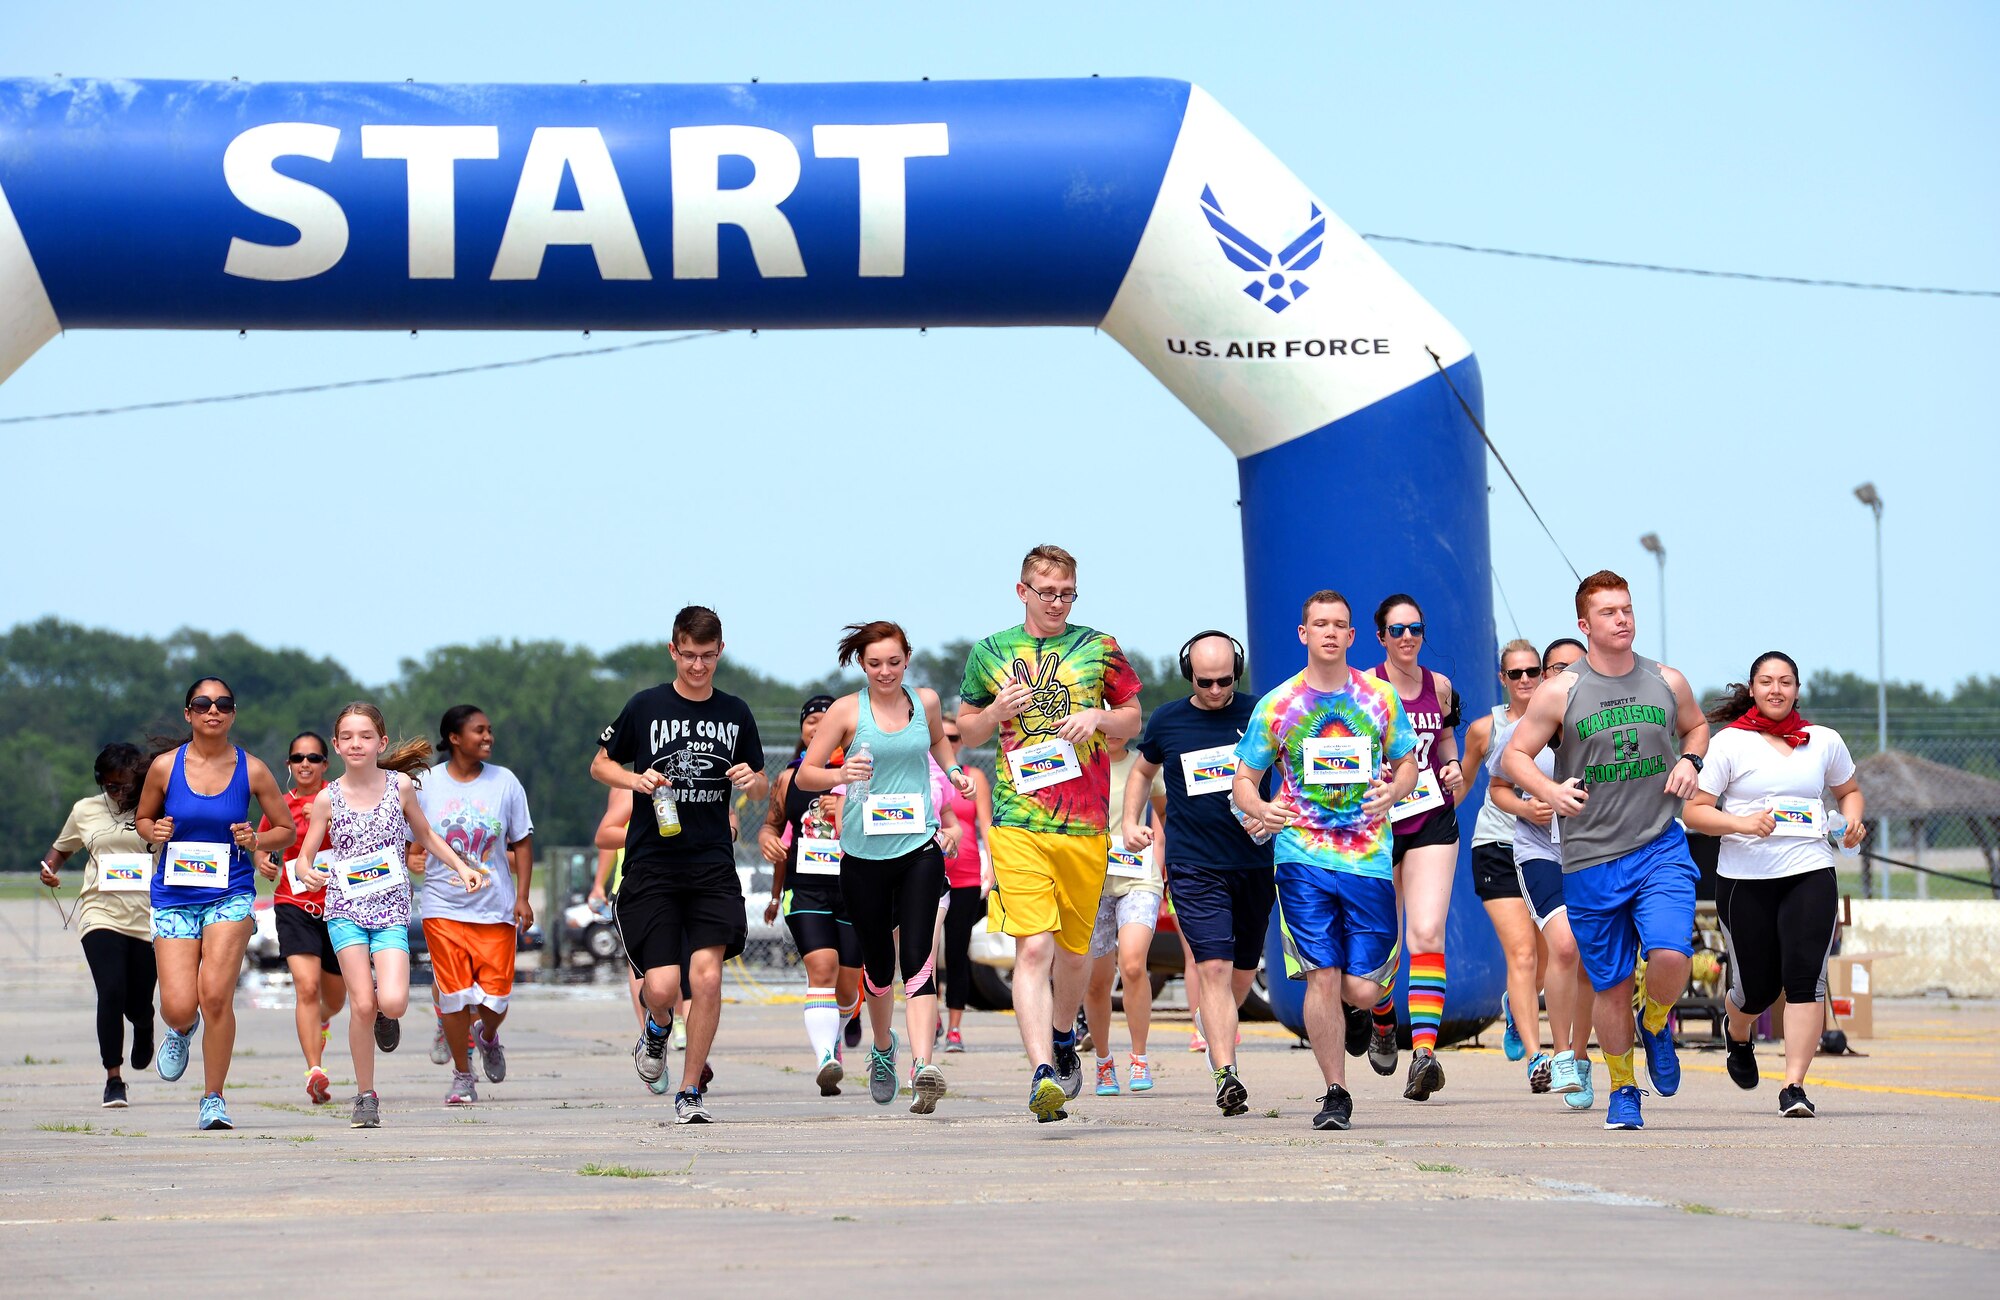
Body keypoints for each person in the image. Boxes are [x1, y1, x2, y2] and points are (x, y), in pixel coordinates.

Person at [1502, 571, 1709, 1132]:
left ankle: (1659, 1018)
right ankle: (1623, 1090)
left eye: (1628, 609)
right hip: (1591, 858)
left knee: (1671, 956)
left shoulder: (1667, 680)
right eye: (1609, 612)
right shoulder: (1560, 690)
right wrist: (1548, 791)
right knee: (1611, 985)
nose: (1622, 620)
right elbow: (1514, 757)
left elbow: (1696, 729)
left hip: (1659, 844)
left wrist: (1690, 761)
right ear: (1584, 624)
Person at [958, 545, 1144, 1123]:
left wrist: (1100, 718)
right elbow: (964, 730)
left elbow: (1135, 717)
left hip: (1085, 824)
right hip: (1019, 820)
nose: (1059, 603)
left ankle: (1063, 1035)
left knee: (1074, 954)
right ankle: (1041, 1071)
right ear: (1023, 592)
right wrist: (994, 715)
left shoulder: (1097, 647)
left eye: (1067, 593)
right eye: (1048, 592)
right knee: (1032, 948)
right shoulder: (990, 652)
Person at [1232, 592, 1418, 1131]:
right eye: (1320, 624)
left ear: (1353, 636)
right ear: (1303, 633)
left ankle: (1365, 1013)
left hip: (1368, 858)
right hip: (1301, 856)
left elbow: (1406, 762)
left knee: (1362, 986)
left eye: (1340, 624)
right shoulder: (1279, 703)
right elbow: (1244, 779)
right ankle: (1335, 1093)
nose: (1330, 633)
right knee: (1322, 974)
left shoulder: (1379, 697)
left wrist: (1395, 792)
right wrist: (1262, 807)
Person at [591, 605, 767, 1125]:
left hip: (711, 864)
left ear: (721, 652)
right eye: (688, 656)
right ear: (673, 650)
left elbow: (759, 780)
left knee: (708, 978)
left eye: (707, 657)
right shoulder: (645, 706)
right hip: (653, 866)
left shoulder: (736, 712)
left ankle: (690, 1090)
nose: (697, 667)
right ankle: (656, 1029)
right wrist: (634, 781)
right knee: (663, 988)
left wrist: (749, 781)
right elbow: (599, 763)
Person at [798, 622, 971, 1114]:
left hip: (918, 848)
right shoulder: (847, 711)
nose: (885, 672)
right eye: (875, 664)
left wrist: (955, 773)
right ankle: (881, 1050)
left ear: (907, 658)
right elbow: (806, 774)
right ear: (862, 665)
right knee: (877, 966)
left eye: (894, 662)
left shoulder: (928, 702)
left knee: (918, 958)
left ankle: (923, 1067)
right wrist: (840, 772)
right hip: (862, 857)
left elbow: (939, 744)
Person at [1684, 651, 1865, 1119]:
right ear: (1752, 688)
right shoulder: (1730, 744)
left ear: (1798, 690)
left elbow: (1848, 792)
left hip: (1810, 870)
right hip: (1746, 879)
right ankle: (1737, 1030)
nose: (1776, 690)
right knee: (1758, 989)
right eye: (1766, 681)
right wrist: (1742, 824)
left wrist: (1852, 821)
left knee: (1806, 979)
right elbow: (1695, 812)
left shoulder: (1823, 741)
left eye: (1785, 682)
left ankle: (1794, 1086)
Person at [296, 702, 484, 1128]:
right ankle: (365, 1095)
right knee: (360, 1004)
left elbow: (425, 834)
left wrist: (462, 867)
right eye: (348, 737)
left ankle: (384, 1013)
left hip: (390, 909)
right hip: (344, 909)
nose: (357, 743)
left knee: (393, 1002)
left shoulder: (399, 786)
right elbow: (306, 858)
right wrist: (309, 874)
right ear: (337, 745)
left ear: (381, 743)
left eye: (366, 736)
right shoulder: (327, 798)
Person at [135, 677, 295, 1131]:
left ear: (233, 714)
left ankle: (213, 1098)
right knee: (180, 1005)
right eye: (202, 704)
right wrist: (154, 833)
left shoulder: (253, 769)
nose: (213, 710)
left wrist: (256, 838)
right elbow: (143, 818)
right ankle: (181, 1029)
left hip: (230, 892)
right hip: (174, 895)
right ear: (188, 714)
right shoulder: (165, 768)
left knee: (216, 997)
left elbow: (285, 829)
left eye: (223, 704)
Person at [1126, 631, 1275, 1114]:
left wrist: (1272, 808)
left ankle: (1211, 1022)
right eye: (1205, 681)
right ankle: (1226, 1074)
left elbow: (1296, 771)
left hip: (1253, 862)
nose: (1215, 691)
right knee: (1211, 966)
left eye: (1225, 681)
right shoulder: (1169, 720)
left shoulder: (1261, 713)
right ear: (1190, 673)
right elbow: (1141, 773)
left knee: (1241, 974)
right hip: (1194, 865)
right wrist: (1132, 821)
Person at [1488, 638, 1598, 1108]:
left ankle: (1580, 1054)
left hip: (1595, 853)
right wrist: (1528, 806)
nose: (1564, 675)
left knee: (1592, 959)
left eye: (1576, 666)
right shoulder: (1529, 727)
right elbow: (1497, 787)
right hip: (1540, 851)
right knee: (1564, 945)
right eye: (1555, 667)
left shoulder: (1606, 720)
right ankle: (1557, 1057)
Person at [1363, 595, 1465, 1101]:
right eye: (1397, 630)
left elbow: (1444, 739)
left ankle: (1423, 1053)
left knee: (1426, 931)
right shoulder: (1362, 689)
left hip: (1431, 816)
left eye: (1415, 628)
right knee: (1383, 941)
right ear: (1381, 636)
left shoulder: (1439, 687)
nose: (1407, 638)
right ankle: (1383, 1019)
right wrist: (1372, 772)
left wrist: (1455, 765)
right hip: (1378, 823)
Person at [413, 705, 535, 1107]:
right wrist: (411, 857)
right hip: (442, 906)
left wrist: (522, 896)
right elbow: (411, 833)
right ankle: (462, 1076)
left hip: (494, 907)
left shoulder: (505, 782)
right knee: (452, 995)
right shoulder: (426, 784)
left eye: (489, 730)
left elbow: (521, 841)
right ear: (454, 738)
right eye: (479, 731)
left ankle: (486, 1036)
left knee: (494, 1000)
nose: (488, 737)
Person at [37, 743, 157, 1109]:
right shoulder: (85, 810)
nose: (120, 794)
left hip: (148, 917)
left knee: (137, 1000)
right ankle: (114, 1079)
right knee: (111, 990)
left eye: (126, 786)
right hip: (99, 911)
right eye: (112, 787)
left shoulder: (156, 808)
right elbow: (61, 849)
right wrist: (49, 870)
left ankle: (144, 1022)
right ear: (101, 783)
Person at [758, 694, 865, 1094]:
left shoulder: (861, 773)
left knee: (848, 987)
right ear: (802, 731)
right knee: (821, 970)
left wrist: (849, 815)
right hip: (806, 889)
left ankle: (836, 1034)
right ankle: (826, 1059)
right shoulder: (789, 779)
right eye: (811, 721)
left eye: (828, 720)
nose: (819, 727)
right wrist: (768, 840)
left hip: (855, 888)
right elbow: (772, 824)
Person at [253, 732, 346, 1106]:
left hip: (339, 907)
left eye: (312, 758)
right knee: (306, 987)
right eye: (297, 758)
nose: (304, 764)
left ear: (326, 764)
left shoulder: (340, 798)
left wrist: (328, 818)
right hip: (294, 905)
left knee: (335, 999)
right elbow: (263, 846)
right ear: (289, 765)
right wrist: (262, 860)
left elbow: (364, 842)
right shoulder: (280, 805)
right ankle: (315, 1070)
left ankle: (321, 1023)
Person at [1458, 643, 1538, 1073]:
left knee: (1546, 961)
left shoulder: (1560, 722)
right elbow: (1465, 782)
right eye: (1515, 673)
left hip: (1548, 850)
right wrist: (1429, 827)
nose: (1525, 679)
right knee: (1522, 954)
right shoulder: (1485, 729)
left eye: (1532, 671)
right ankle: (1536, 1056)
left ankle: (1514, 1006)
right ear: (1502, 679)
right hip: (1497, 847)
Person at [1082, 732, 1166, 1096]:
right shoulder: (1080, 765)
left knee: (1132, 965)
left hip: (1138, 878)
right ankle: (1103, 1063)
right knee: (1097, 982)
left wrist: (1161, 860)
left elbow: (1166, 814)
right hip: (1090, 884)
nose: (1113, 729)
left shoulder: (1144, 764)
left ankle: (1140, 1057)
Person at [938, 716, 993, 1053]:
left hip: (966, 874)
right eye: (942, 737)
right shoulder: (922, 775)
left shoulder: (974, 778)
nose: (950, 743)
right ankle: (930, 1016)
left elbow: (986, 825)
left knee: (957, 953)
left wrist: (993, 867)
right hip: (926, 873)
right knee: (922, 953)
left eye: (955, 737)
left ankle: (955, 1028)